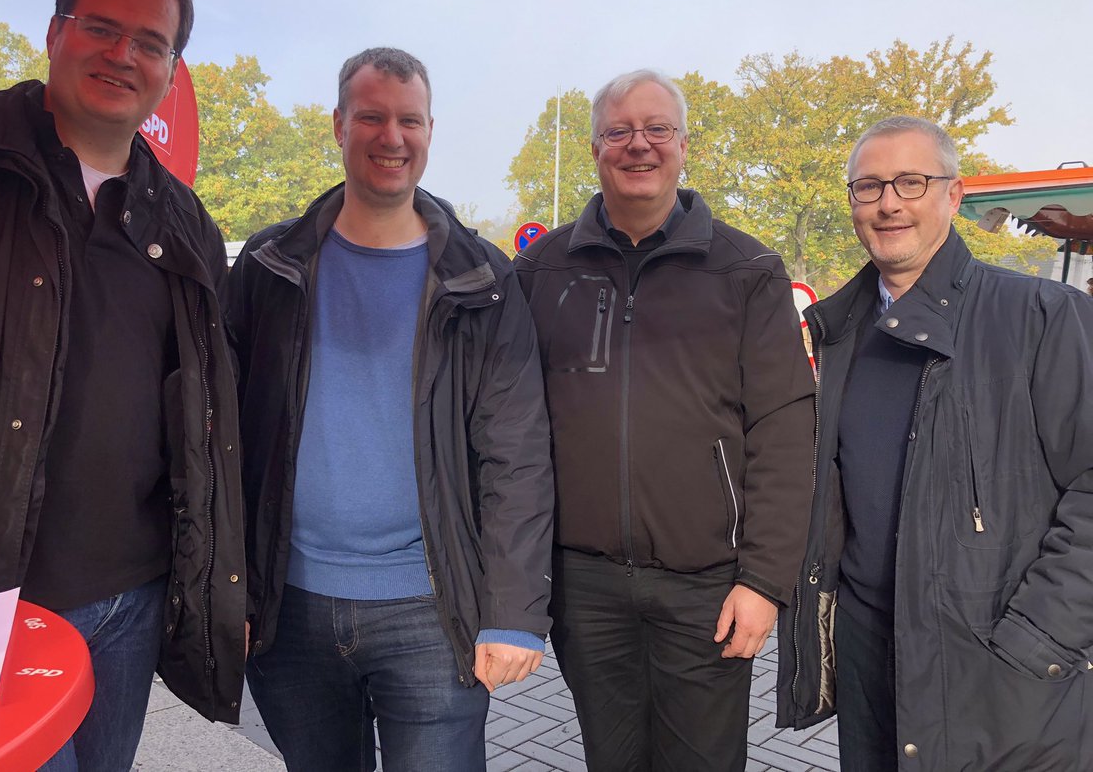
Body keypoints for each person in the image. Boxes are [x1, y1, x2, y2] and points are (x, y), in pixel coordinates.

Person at [0, 0, 246, 770]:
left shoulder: (182, 217)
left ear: (170, 70)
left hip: (128, 597)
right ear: (55, 31)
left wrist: (221, 579)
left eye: (150, 43)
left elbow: (206, 409)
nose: (123, 55)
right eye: (101, 27)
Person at [226, 47, 553, 772]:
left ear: (430, 130)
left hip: (431, 613)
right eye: (370, 117)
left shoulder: (481, 278)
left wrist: (515, 612)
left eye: (409, 120)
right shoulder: (268, 265)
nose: (391, 137)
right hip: (291, 604)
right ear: (337, 124)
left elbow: (517, 450)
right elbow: (221, 434)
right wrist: (225, 589)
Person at [514, 69, 816, 771]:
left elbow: (784, 431)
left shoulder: (747, 271)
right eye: (619, 131)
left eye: (657, 129)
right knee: (611, 760)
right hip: (583, 584)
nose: (638, 145)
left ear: (684, 145)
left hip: (707, 584)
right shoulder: (540, 272)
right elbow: (511, 429)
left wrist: (766, 580)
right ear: (595, 149)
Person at [777, 116, 1093, 770]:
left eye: (911, 182)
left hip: (1001, 673)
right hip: (870, 662)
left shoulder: (1042, 318)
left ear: (952, 195)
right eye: (869, 187)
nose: (888, 202)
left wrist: (1043, 636)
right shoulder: (837, 335)